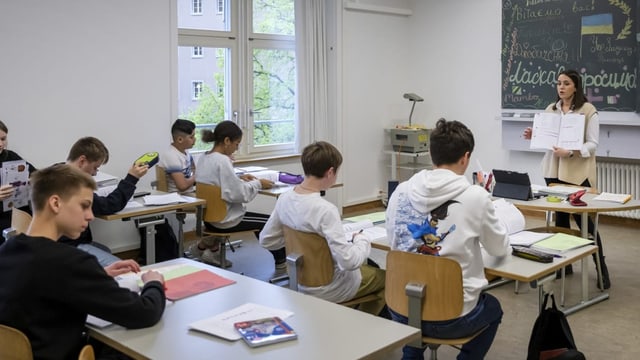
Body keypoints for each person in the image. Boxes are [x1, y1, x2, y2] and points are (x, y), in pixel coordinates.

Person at [0, 164, 166, 359]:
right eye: (84, 206)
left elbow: (38, 285)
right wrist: (154, 283)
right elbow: (143, 313)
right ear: (55, 203)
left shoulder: (7, 249)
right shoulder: (70, 262)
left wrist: (97, 276)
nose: (91, 215)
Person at [386, 118, 510, 360]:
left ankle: (411, 355)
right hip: (452, 317)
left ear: (432, 155)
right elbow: (498, 248)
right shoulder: (476, 196)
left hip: (401, 307)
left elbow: (394, 242)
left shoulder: (401, 191)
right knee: (493, 308)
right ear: (465, 157)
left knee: (417, 307)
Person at [260, 141, 386, 316]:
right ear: (330, 172)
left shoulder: (284, 199)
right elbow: (348, 262)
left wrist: (296, 240)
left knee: (365, 265)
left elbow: (267, 240)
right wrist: (361, 240)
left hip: (299, 280)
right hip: (330, 287)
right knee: (386, 279)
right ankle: (361, 324)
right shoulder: (325, 210)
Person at [522, 69, 609, 289]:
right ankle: (564, 265)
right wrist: (535, 135)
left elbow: (593, 143)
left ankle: (601, 267)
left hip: (578, 173)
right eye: (559, 83)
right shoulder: (551, 109)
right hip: (554, 171)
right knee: (560, 221)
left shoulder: (588, 111)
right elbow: (547, 139)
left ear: (576, 86)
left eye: (566, 83)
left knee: (584, 222)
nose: (561, 87)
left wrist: (571, 152)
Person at [193, 121, 276, 268]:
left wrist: (238, 179)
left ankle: (204, 247)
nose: (236, 148)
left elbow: (217, 185)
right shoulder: (223, 161)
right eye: (236, 144)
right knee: (269, 222)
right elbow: (239, 194)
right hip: (225, 219)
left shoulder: (203, 157)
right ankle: (281, 261)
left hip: (208, 217)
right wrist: (258, 184)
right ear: (227, 141)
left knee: (262, 219)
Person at [58, 137, 150, 267]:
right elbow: (109, 205)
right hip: (67, 245)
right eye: (95, 168)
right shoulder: (70, 184)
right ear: (82, 161)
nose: (95, 174)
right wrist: (132, 178)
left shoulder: (58, 172)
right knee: (121, 267)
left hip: (65, 242)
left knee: (104, 250)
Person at [0, 120, 37, 242]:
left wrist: (31, 180)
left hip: (19, 215)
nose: (1, 144)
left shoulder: (10, 156)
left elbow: (35, 174)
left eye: (3, 139)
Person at [160, 119, 197, 195]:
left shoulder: (185, 151)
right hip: (179, 197)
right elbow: (182, 186)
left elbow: (194, 169)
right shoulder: (171, 155)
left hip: (189, 193)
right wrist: (198, 176)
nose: (195, 139)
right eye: (191, 137)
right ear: (180, 139)